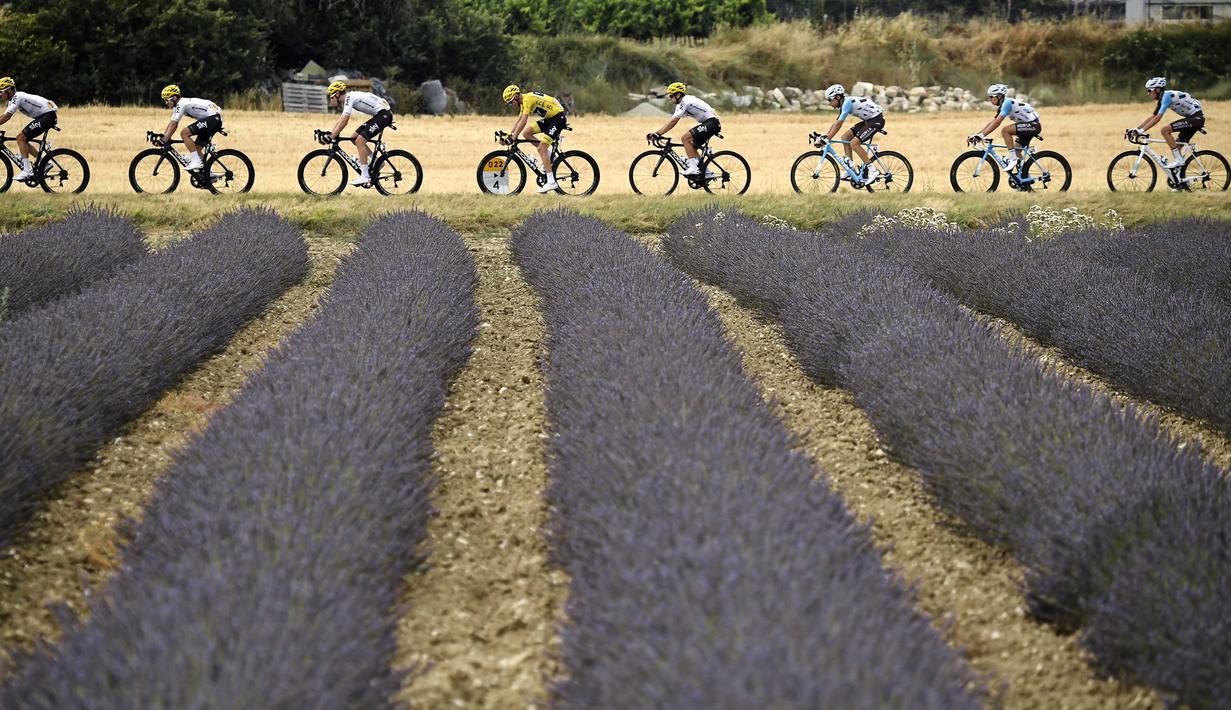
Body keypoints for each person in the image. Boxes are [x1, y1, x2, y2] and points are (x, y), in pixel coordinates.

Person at [325, 80, 393, 187]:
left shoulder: (348, 98)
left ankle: (365, 176)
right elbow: (341, 119)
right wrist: (331, 134)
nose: (331, 99)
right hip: (380, 114)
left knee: (360, 140)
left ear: (338, 94)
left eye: (332, 96)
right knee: (353, 138)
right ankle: (377, 161)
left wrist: (332, 136)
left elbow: (344, 121)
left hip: (383, 115)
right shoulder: (349, 98)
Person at [501, 84, 568, 193]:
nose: (510, 105)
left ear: (516, 97)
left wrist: (513, 138)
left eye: (510, 102)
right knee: (526, 133)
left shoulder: (527, 99)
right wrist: (510, 134)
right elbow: (519, 120)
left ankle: (551, 183)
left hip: (557, 118)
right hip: (550, 118)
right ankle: (551, 156)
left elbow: (524, 121)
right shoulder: (523, 102)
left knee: (541, 148)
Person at [1130, 77, 1205, 169]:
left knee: (1165, 130)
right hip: (1193, 119)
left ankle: (1179, 160)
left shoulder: (1166, 96)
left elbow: (1158, 118)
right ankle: (1181, 179)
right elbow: (1153, 116)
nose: (1148, 93)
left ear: (1157, 90)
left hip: (1196, 118)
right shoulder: (1162, 98)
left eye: (1149, 90)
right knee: (1177, 148)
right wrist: (1137, 129)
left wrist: (1141, 131)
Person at [648, 82, 721, 177]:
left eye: (671, 96)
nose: (670, 98)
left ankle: (694, 168)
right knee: (691, 145)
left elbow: (674, 122)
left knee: (685, 138)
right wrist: (657, 133)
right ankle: (705, 173)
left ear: (678, 95)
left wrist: (658, 133)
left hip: (712, 123)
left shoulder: (686, 101)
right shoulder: (680, 105)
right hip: (709, 123)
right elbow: (671, 121)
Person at [818, 83, 885, 182]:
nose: (829, 103)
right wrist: (827, 135)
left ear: (837, 97)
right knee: (845, 137)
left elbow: (839, 124)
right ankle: (851, 169)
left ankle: (873, 170)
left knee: (854, 143)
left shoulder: (847, 103)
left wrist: (828, 138)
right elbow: (836, 122)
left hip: (876, 120)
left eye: (830, 100)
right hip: (868, 121)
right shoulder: (844, 103)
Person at [968, 83, 1040, 173]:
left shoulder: (1007, 103)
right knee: (1017, 152)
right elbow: (992, 122)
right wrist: (978, 135)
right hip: (1027, 126)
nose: (989, 99)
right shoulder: (1002, 105)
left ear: (999, 96)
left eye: (991, 96)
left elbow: (997, 123)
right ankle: (1025, 180)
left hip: (1033, 125)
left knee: (1005, 131)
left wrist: (982, 136)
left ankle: (1013, 160)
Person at [0, 77, 59, 182]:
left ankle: (27, 171)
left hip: (47, 116)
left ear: (9, 90)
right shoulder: (14, 100)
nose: (0, 95)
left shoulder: (17, 97)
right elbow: (3, 116)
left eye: (1, 92)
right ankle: (44, 164)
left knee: (20, 138)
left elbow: (6, 117)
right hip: (46, 116)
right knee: (23, 139)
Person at [159, 84, 222, 172]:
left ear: (174, 98)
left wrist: (164, 139)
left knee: (184, 133)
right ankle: (208, 173)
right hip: (212, 119)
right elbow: (171, 123)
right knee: (196, 148)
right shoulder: (177, 106)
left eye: (166, 100)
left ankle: (196, 162)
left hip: (213, 119)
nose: (165, 103)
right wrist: (164, 136)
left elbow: (174, 124)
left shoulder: (181, 104)